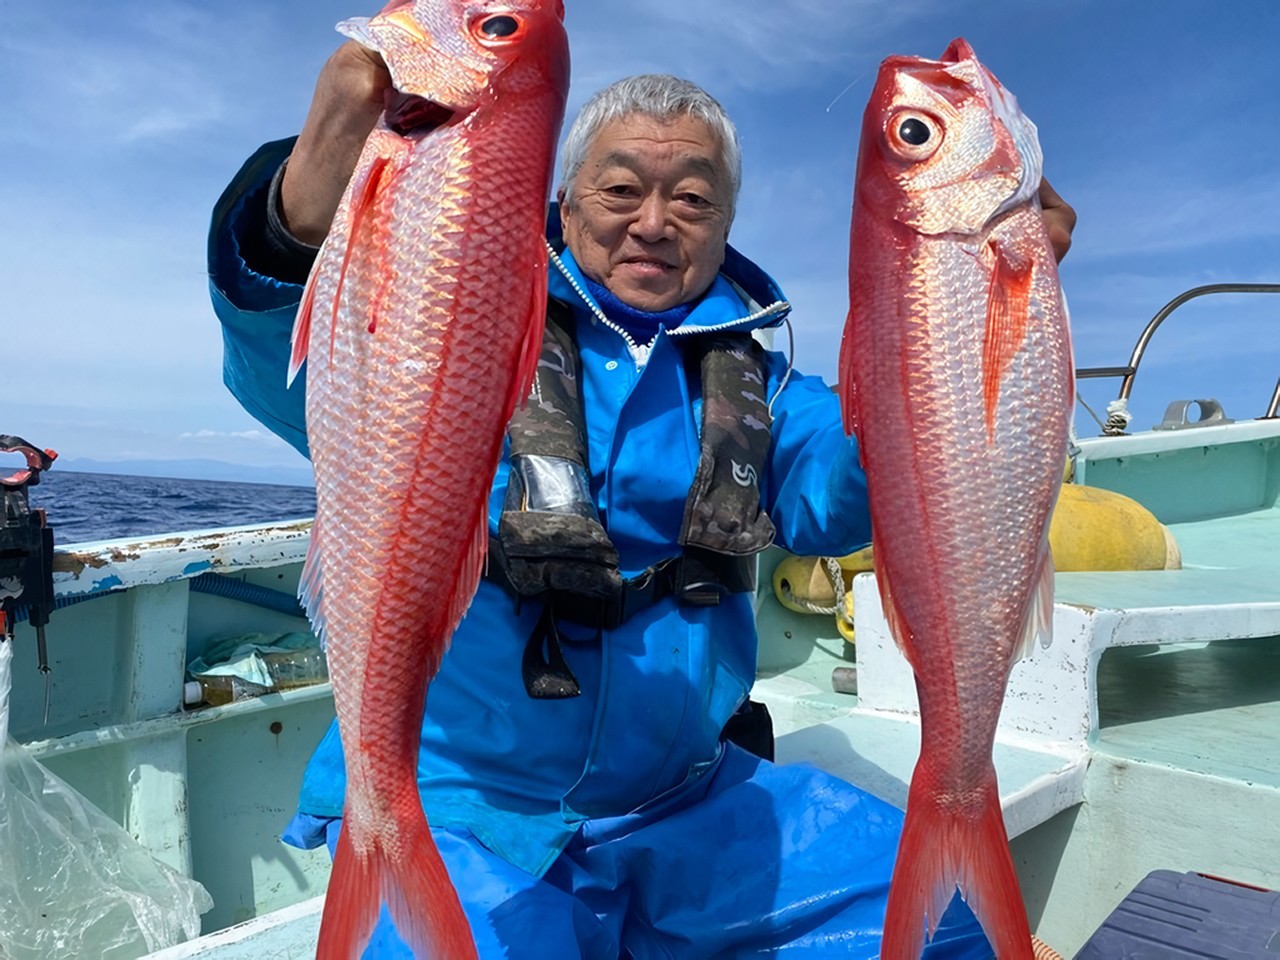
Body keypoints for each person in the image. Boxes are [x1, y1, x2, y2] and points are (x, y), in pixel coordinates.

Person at [208, 40, 1076, 959]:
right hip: (464, 808)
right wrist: (295, 214)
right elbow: (291, 369)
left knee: (950, 934)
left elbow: (845, 497)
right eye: (621, 189)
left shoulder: (767, 388)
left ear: (727, 222)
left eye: (693, 200)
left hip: (689, 800)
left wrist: (955, 325)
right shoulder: (454, 326)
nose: (654, 223)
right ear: (566, 197)